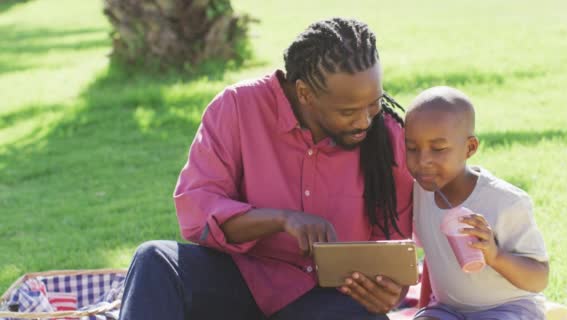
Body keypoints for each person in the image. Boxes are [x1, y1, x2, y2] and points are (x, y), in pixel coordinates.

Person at [118, 18, 415, 320]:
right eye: (348, 111)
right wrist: (280, 219)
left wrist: (388, 290)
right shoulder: (237, 107)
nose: (365, 121)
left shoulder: (389, 139)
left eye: (373, 105)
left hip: (328, 300)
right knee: (154, 260)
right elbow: (197, 209)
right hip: (243, 279)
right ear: (304, 93)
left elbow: (393, 247)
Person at [404, 86, 550, 320]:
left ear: (470, 148)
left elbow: (539, 278)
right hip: (446, 310)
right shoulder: (419, 192)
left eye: (438, 148)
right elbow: (430, 255)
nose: (423, 161)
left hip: (506, 308)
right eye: (411, 148)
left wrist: (495, 255)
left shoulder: (506, 202)